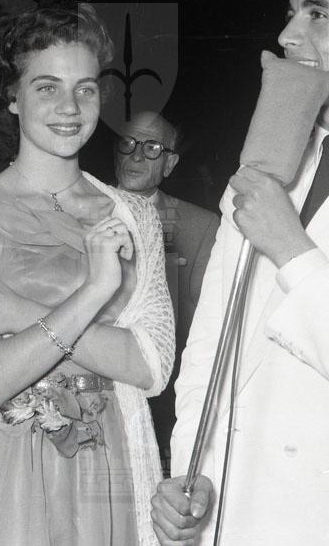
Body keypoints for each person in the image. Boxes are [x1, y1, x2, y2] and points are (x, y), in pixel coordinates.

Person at [151, 0, 329, 545]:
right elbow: (210, 348)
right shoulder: (267, 166)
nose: (286, 35)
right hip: (231, 514)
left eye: (317, 14)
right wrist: (190, 475)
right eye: (290, 13)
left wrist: (292, 249)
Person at [0, 4, 175, 544]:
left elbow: (152, 366)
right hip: (3, 468)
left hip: (112, 464)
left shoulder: (135, 214)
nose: (70, 108)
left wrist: (18, 313)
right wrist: (96, 294)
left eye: (85, 89)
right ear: (13, 96)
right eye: (47, 88)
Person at [114, 111, 218, 466]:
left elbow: (204, 329)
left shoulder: (199, 226)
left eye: (152, 148)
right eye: (128, 143)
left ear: (170, 163)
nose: (136, 156)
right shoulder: (77, 209)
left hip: (160, 400)